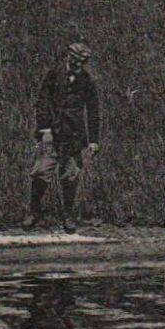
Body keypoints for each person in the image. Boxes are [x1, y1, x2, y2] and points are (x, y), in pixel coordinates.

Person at [23, 42, 102, 233]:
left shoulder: (86, 80)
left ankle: (68, 215)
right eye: (74, 61)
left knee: (70, 176)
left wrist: (93, 140)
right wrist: (45, 129)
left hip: (74, 136)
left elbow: (93, 110)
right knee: (41, 172)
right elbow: (42, 102)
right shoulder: (54, 74)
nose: (77, 66)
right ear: (69, 58)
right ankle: (34, 212)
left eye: (81, 63)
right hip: (52, 133)